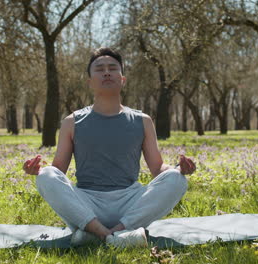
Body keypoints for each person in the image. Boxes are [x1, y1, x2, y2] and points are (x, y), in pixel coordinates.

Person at [23, 47, 196, 248]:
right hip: (87, 202)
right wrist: (37, 171)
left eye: (113, 68)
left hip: (130, 203)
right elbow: (58, 171)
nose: (106, 72)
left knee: (177, 180)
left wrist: (178, 169)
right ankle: (107, 234)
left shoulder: (143, 121)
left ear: (122, 79)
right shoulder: (72, 122)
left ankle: (102, 234)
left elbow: (157, 169)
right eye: (99, 69)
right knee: (46, 176)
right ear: (90, 81)